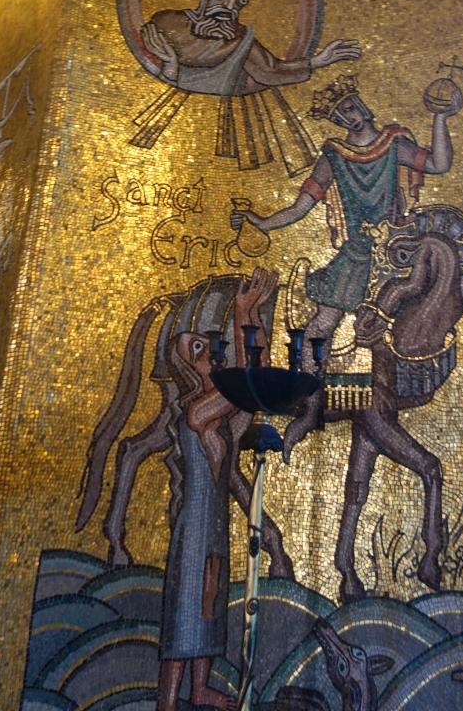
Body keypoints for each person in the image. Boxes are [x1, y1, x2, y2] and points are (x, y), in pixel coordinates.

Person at [229, 74, 461, 452]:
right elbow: (300, 207)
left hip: (394, 251)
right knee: (320, 326)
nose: (348, 117)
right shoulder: (334, 155)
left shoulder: (392, 144)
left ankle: (400, 388)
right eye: (339, 115)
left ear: (362, 105)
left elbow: (438, 163)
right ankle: (307, 402)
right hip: (355, 256)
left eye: (350, 107)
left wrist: (440, 118)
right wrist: (262, 222)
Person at [157, 269, 277, 711]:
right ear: (187, 369)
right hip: (195, 526)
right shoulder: (197, 412)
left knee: (210, 601)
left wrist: (252, 316)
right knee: (188, 603)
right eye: (196, 348)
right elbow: (244, 384)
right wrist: (242, 312)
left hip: (214, 522)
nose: (207, 349)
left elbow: (256, 376)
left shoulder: (219, 410)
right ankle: (168, 700)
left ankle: (199, 689)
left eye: (206, 343)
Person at [140, 0, 359, 97]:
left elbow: (270, 70)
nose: (229, 5)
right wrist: (170, 66)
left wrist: (316, 62)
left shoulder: (240, 37)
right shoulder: (170, 22)